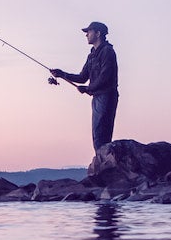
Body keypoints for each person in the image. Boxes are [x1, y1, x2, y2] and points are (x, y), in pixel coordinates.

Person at [50, 21, 119, 153]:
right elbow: (82, 77)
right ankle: (102, 163)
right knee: (97, 134)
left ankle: (105, 165)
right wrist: (62, 74)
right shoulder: (92, 55)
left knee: (101, 133)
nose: (86, 34)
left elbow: (105, 77)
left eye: (89, 31)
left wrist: (88, 88)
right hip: (97, 96)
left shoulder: (107, 52)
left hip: (107, 96)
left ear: (98, 33)